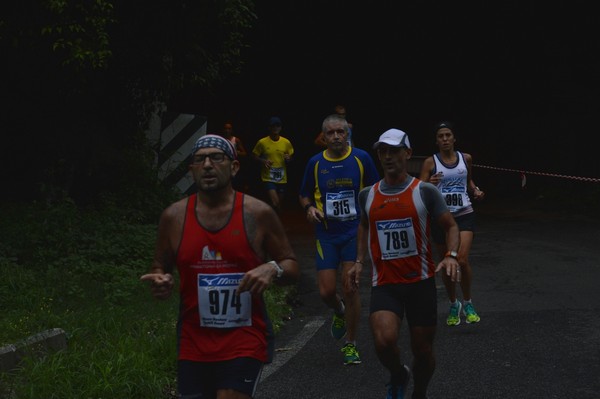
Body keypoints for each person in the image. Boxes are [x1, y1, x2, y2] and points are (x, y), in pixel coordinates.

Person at [140, 134, 299, 399]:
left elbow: (291, 265)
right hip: (193, 340)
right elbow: (159, 266)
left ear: (234, 167)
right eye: (200, 160)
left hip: (245, 336)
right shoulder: (174, 217)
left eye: (217, 158)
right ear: (191, 170)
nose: (208, 165)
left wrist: (272, 268)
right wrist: (160, 281)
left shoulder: (257, 213)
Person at [347, 128, 461, 399]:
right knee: (384, 342)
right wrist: (359, 261)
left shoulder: (425, 191)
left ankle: (419, 392)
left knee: (423, 351)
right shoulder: (368, 195)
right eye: (382, 151)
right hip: (385, 284)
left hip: (419, 283)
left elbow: (451, 226)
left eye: (394, 151)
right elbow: (363, 226)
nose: (388, 157)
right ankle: (398, 374)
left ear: (407, 153)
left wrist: (451, 256)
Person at [298, 113, 380, 366]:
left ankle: (351, 344)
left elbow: (376, 190)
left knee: (350, 287)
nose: (335, 137)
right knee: (325, 292)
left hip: (353, 232)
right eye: (330, 133)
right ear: (323, 137)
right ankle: (339, 311)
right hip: (326, 234)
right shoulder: (315, 163)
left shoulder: (361, 158)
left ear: (347, 134)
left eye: (340, 132)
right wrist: (309, 209)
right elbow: (303, 195)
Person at [419, 121, 485, 327]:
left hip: (464, 214)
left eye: (448, 135)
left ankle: (468, 302)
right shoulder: (431, 162)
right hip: (441, 218)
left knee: (461, 259)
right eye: (441, 136)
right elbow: (419, 189)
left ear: (454, 138)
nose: (445, 139)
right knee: (447, 263)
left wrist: (475, 191)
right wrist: (430, 184)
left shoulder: (466, 159)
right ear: (436, 141)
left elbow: (468, 182)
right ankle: (453, 303)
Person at [252, 116, 295, 213]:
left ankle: (268, 216)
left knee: (278, 204)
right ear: (269, 128)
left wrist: (289, 158)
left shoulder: (286, 142)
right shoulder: (262, 142)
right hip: (268, 177)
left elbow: (291, 157)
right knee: (275, 202)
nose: (275, 128)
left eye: (278, 126)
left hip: (282, 177)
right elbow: (254, 156)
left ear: (280, 128)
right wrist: (263, 161)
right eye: (273, 126)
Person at [221, 121, 249, 192]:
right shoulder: (221, 139)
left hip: (233, 164)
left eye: (229, 129)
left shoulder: (235, 140)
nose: (227, 130)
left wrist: (236, 152)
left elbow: (244, 153)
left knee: (234, 183)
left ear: (231, 130)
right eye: (226, 128)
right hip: (223, 164)